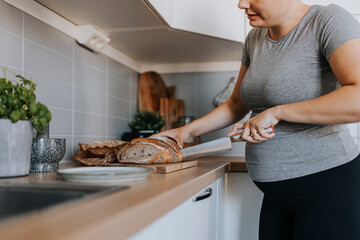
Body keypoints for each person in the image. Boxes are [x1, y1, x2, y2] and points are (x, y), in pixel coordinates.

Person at [155, 0, 360, 239]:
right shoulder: (255, 38)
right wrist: (185, 131)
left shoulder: (327, 20)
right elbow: (235, 105)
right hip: (276, 196)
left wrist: (277, 112)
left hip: (328, 189)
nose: (241, 4)